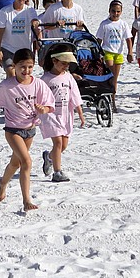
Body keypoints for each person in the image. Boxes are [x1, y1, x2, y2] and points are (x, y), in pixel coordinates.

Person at [0, 49, 56, 212]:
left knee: (15, 163)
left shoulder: (38, 84)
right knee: (27, 162)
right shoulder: (7, 86)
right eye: (22, 67)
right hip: (13, 130)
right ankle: (26, 201)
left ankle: (3, 183)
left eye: (30, 67)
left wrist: (43, 109)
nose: (26, 71)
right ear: (14, 66)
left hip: (30, 129)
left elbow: (50, 105)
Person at [40, 44, 85, 183]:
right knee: (58, 143)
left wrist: (80, 114)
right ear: (54, 61)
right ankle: (57, 172)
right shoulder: (45, 79)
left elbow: (75, 96)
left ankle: (49, 158)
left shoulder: (69, 77)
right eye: (63, 63)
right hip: (51, 115)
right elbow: (39, 98)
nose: (66, 66)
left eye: (68, 64)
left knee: (63, 145)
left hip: (66, 114)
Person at [0, 0, 40, 78]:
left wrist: (35, 22)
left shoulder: (29, 10)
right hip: (8, 49)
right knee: (11, 74)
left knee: (22, 76)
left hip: (24, 50)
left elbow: (34, 19)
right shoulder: (5, 11)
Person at [96, 0, 133, 103]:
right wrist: (97, 53)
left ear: (121, 12)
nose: (115, 14)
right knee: (111, 74)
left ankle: (113, 99)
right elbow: (99, 39)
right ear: (109, 11)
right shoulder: (105, 24)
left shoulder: (123, 24)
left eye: (118, 11)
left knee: (115, 78)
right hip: (107, 51)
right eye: (113, 11)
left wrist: (130, 52)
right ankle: (108, 96)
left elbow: (128, 39)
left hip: (118, 53)